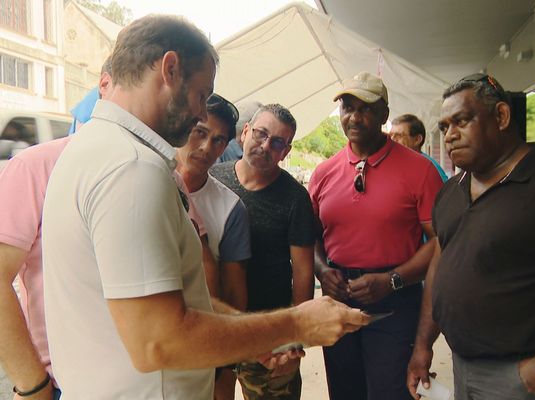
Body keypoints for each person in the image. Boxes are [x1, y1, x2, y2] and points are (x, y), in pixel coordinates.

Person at [42, 15, 367, 400]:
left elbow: (176, 296)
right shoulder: (132, 168)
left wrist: (256, 337)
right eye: (201, 94)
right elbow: (158, 342)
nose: (201, 113)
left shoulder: (90, 148)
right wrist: (295, 324)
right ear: (170, 68)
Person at [407, 74, 535, 400]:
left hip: (525, 375)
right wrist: (423, 345)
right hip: (463, 365)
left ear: (501, 116)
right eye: (444, 127)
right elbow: (439, 266)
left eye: (461, 121)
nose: (450, 135)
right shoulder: (452, 192)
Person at [308, 71, 444, 400]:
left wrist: (393, 279)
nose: (354, 117)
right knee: (345, 391)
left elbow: (441, 241)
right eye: (347, 107)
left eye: (365, 108)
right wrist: (323, 271)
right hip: (338, 299)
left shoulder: (420, 170)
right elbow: (308, 237)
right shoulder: (324, 172)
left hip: (395, 301)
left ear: (384, 114)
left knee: (390, 392)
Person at [0, 63, 113, 400]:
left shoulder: (159, 174)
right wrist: (32, 384)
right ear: (104, 86)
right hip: (63, 384)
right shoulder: (36, 166)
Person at [211, 103, 316, 400]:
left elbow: (303, 273)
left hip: (268, 334)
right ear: (245, 132)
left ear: (286, 151)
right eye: (261, 134)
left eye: (277, 142)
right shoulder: (213, 179)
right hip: (217, 324)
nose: (265, 145)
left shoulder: (295, 199)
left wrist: (295, 340)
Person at [175, 93, 251, 400]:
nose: (207, 147)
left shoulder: (230, 208)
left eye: (219, 140)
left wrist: (226, 363)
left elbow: (234, 295)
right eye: (200, 133)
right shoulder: (151, 178)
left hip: (205, 343)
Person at [389, 114, 449, 181]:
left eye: (399, 135)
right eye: (390, 135)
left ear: (417, 139)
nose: (392, 139)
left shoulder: (429, 168)